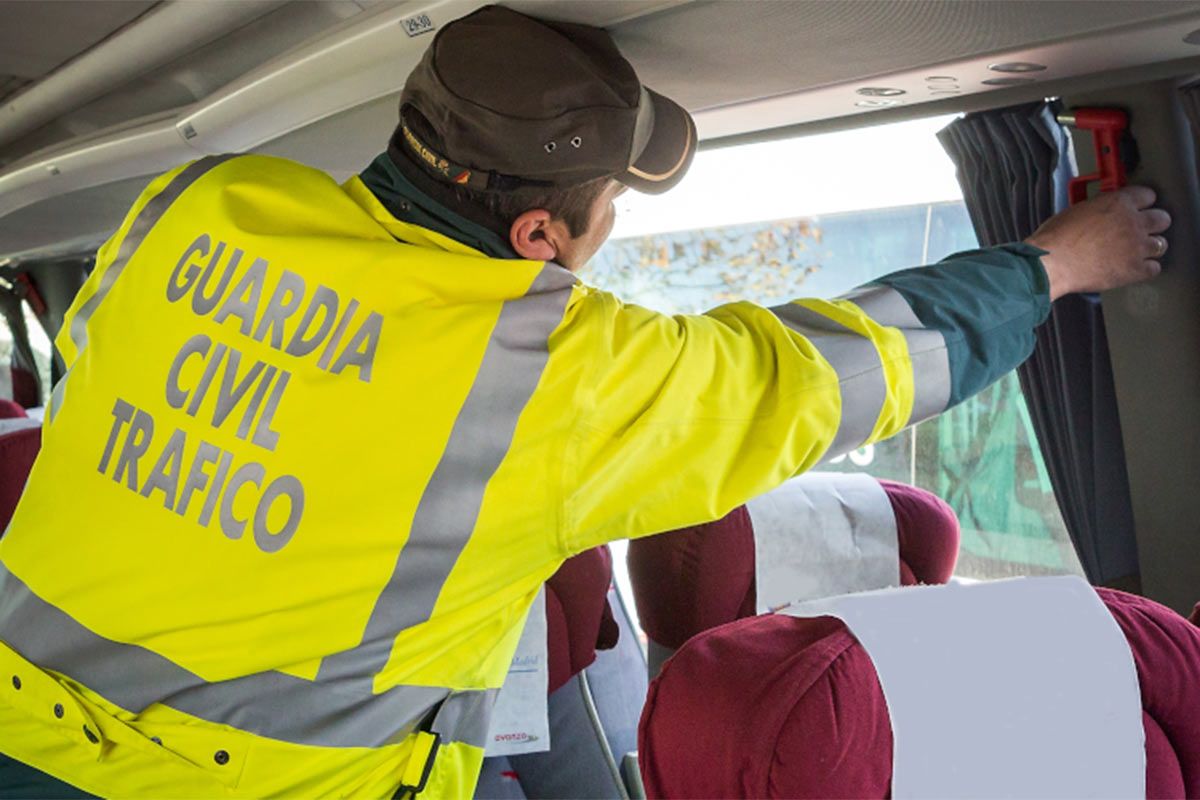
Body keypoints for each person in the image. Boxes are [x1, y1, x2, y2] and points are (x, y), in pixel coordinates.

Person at [0, 5, 1169, 799]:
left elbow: (108, 358)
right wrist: (1057, 263)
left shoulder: (204, 203)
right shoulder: (541, 367)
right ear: (540, 236)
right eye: (611, 202)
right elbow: (836, 370)